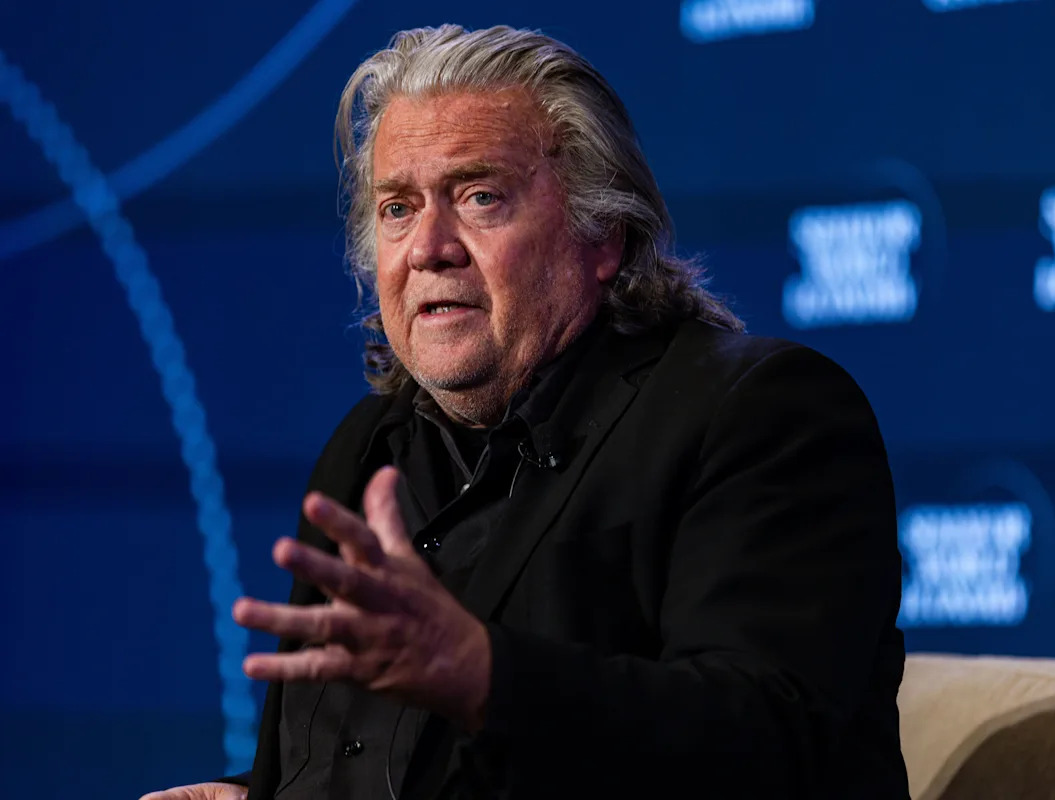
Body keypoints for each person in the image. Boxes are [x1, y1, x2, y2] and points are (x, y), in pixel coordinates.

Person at [142, 23, 908, 800]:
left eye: (479, 197)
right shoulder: (369, 447)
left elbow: (763, 742)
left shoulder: (759, 413)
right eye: (398, 208)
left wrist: (485, 676)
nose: (428, 247)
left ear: (601, 233)